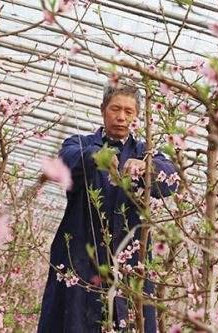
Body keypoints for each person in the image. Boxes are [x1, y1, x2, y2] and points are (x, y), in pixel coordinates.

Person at [38, 84, 178, 333]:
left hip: (130, 259)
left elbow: (170, 179)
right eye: (115, 109)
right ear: (103, 110)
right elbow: (66, 160)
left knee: (129, 320)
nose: (121, 117)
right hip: (80, 256)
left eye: (128, 111)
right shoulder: (80, 142)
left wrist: (148, 168)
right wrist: (95, 156)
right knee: (73, 322)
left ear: (136, 117)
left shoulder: (146, 153)